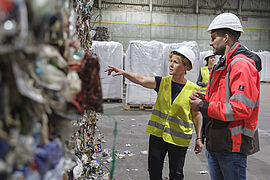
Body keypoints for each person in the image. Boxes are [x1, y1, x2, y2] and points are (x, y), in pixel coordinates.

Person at [106, 46, 203, 180]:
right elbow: (141, 79)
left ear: (186, 66)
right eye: (171, 61)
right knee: (154, 171)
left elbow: (196, 115)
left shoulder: (194, 90)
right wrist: (124, 73)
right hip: (158, 135)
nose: (171, 64)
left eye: (176, 62)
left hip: (179, 138)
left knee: (176, 174)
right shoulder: (162, 82)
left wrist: (198, 137)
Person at [189, 12, 262, 180]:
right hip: (217, 142)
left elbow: (240, 108)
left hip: (231, 147)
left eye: (214, 37)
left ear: (226, 38)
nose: (211, 42)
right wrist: (204, 99)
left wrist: (203, 105)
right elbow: (222, 99)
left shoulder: (241, 66)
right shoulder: (224, 63)